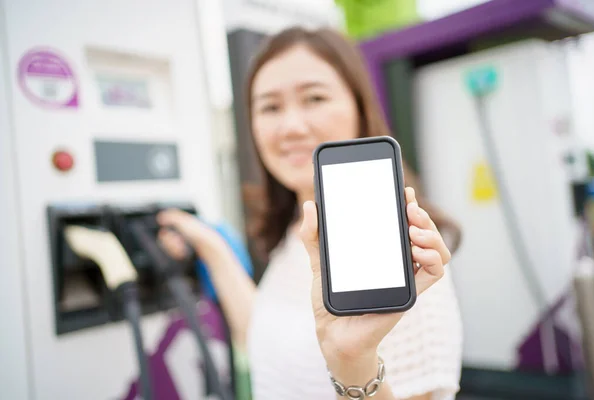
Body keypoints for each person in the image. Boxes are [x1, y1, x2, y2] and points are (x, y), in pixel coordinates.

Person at [157, 26, 463, 400]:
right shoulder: (298, 230)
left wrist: (352, 361)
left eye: (314, 98)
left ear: (358, 105)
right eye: (270, 107)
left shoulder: (404, 254)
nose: (291, 127)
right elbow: (265, 337)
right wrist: (208, 245)